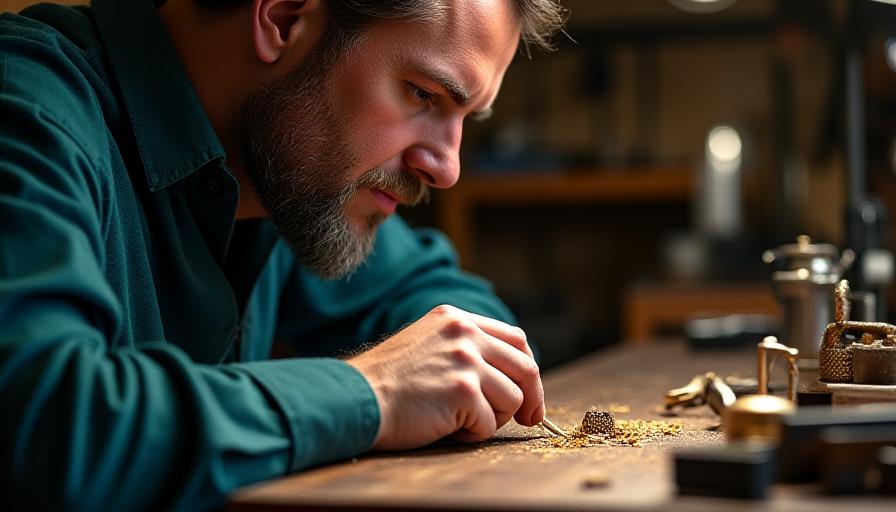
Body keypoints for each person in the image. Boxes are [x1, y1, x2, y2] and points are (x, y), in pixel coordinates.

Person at [0, 0, 567, 509]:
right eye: (423, 94)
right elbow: (46, 427)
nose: (446, 169)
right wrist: (377, 392)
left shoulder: (287, 177)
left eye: (466, 119)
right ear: (284, 18)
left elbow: (462, 321)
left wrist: (457, 370)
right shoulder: (27, 112)